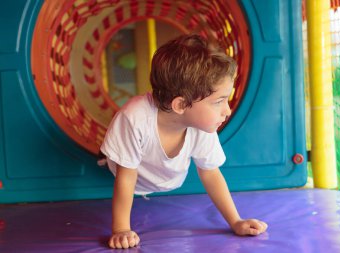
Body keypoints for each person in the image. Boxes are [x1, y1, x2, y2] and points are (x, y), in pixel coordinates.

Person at [100, 34, 268, 249]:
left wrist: (235, 221)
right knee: (119, 156)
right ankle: (105, 153)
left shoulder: (202, 126)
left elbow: (210, 173)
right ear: (180, 105)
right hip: (127, 171)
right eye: (219, 102)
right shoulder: (134, 118)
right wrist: (121, 229)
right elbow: (126, 177)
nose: (227, 111)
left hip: (166, 176)